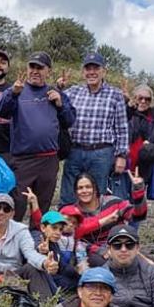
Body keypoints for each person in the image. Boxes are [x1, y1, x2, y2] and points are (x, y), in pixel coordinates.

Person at [0, 52, 75, 220]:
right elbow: (1, 112)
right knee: (17, 204)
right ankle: (11, 241)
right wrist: (13, 94)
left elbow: (69, 121)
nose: (35, 71)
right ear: (27, 68)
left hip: (49, 159)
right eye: (32, 67)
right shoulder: (16, 90)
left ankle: (40, 240)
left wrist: (60, 105)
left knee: (43, 205)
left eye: (40, 68)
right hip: (22, 160)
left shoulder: (55, 93)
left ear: (49, 71)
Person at [58, 52, 129, 206]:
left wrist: (121, 155)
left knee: (97, 196)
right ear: (83, 72)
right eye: (88, 68)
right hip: (75, 151)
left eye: (96, 68)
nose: (92, 72)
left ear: (104, 71)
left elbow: (122, 128)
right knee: (68, 195)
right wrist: (59, 87)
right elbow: (55, 101)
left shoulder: (115, 95)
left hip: (102, 154)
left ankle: (95, 228)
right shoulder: (73, 92)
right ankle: (67, 228)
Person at [72, 172, 147, 257]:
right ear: (75, 192)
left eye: (88, 187)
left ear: (95, 189)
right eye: (80, 188)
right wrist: (99, 250)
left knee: (149, 266)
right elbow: (73, 238)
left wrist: (138, 192)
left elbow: (138, 215)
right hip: (90, 253)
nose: (84, 191)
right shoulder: (73, 212)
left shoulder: (113, 202)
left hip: (119, 247)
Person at [33, 210, 82, 293]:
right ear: (43, 228)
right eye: (54, 228)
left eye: (60, 229)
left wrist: (78, 271)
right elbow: (36, 242)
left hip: (53, 276)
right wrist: (40, 249)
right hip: (39, 278)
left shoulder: (55, 244)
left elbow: (62, 266)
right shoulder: (37, 236)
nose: (58, 233)